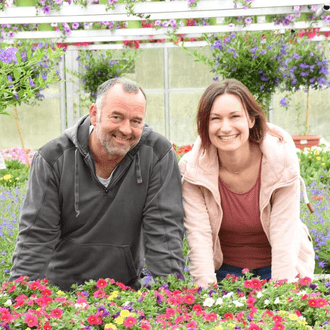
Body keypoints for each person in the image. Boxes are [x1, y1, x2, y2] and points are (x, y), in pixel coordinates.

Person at [10, 77, 185, 291]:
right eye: (117, 117)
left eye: (136, 121)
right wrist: (19, 297)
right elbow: (36, 237)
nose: (126, 129)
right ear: (95, 114)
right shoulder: (54, 158)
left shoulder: (157, 154)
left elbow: (164, 234)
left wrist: (173, 299)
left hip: (126, 291)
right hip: (61, 293)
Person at [179, 79, 315, 287]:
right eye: (216, 119)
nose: (225, 128)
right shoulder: (193, 169)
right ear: (205, 125)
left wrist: (282, 297)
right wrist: (205, 297)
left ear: (251, 120)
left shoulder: (281, 161)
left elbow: (284, 236)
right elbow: (199, 238)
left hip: (278, 268)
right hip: (225, 271)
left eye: (235, 116)